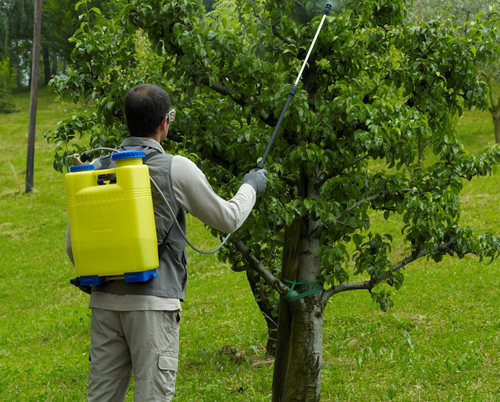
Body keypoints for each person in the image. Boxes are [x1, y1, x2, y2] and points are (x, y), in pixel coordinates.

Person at [65, 83, 267, 401]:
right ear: (165, 123)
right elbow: (227, 218)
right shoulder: (176, 168)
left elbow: (72, 247)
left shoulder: (95, 170)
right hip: (154, 308)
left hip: (104, 305)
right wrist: (251, 186)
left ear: (126, 118)